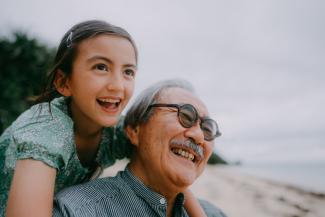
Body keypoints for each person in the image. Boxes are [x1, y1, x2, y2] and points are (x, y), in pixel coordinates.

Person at [0, 20, 138, 217]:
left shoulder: (117, 131)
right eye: (101, 67)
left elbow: (164, 165)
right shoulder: (45, 132)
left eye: (128, 72)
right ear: (64, 82)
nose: (118, 86)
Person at [53, 79, 226, 217]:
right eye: (185, 115)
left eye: (208, 128)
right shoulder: (75, 211)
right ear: (134, 130)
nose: (199, 136)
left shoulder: (214, 213)